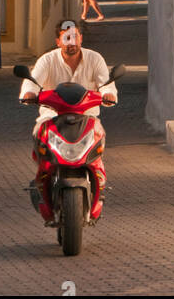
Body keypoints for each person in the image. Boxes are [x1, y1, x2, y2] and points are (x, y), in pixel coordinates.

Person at [19, 18, 117, 223]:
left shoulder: (95, 58)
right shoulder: (47, 60)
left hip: (87, 118)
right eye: (66, 38)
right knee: (39, 136)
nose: (71, 43)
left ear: (81, 38)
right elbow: (32, 81)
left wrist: (108, 93)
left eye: (74, 37)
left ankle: (99, 180)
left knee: (98, 142)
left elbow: (106, 83)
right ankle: (42, 177)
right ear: (58, 41)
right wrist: (29, 92)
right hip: (52, 117)